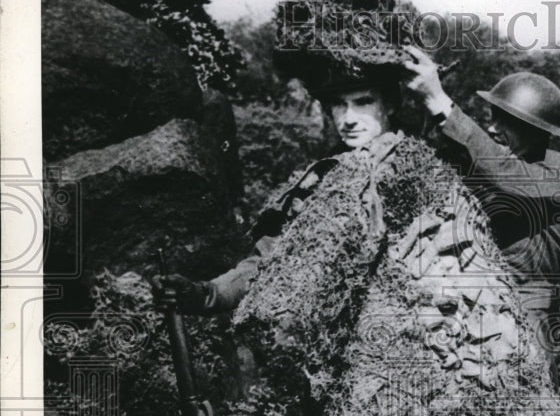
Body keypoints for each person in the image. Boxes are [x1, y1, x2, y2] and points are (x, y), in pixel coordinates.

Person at [152, 78, 401, 315]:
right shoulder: (321, 178)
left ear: (389, 105)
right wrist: (208, 295)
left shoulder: (418, 163)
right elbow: (270, 260)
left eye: (363, 102)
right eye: (339, 104)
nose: (349, 119)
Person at [402, 45, 560, 320]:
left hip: (528, 315)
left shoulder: (556, 181)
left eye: (505, 120)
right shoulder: (499, 170)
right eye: (493, 116)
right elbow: (460, 155)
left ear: (536, 130)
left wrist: (438, 99)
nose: (492, 127)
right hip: (483, 306)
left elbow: (501, 169)